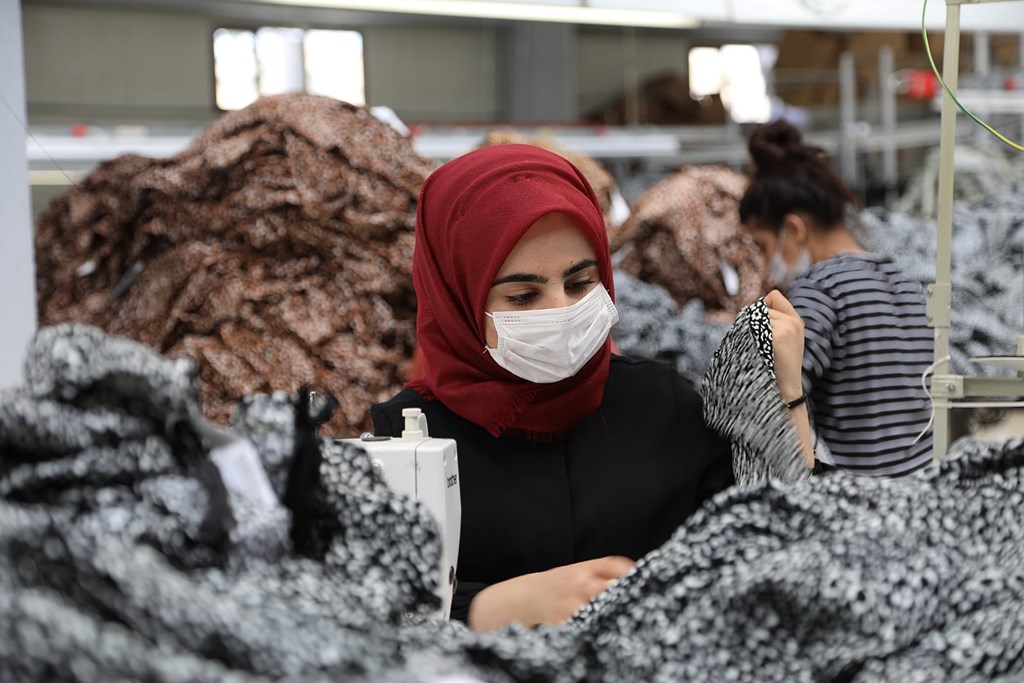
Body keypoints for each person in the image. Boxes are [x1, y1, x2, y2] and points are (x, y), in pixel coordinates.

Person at [371, 144, 812, 632]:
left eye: (581, 283)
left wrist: (786, 391)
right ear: (459, 297)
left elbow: (775, 532)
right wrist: (486, 607)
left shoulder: (662, 404)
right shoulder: (405, 442)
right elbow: (368, 606)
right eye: (523, 295)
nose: (560, 310)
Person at [739, 120, 934, 477]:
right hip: (923, 493)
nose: (765, 266)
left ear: (794, 229)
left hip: (865, 508)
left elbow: (768, 407)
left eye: (763, 247)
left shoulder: (819, 291)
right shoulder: (905, 280)